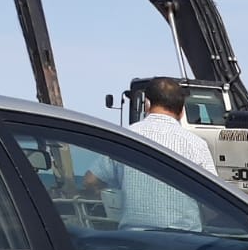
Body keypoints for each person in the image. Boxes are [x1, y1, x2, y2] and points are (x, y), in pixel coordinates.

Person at [83, 76, 218, 230]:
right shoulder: (196, 145)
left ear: (147, 104)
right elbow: (213, 202)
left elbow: (90, 181)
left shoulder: (124, 137)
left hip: (135, 241)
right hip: (183, 243)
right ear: (181, 111)